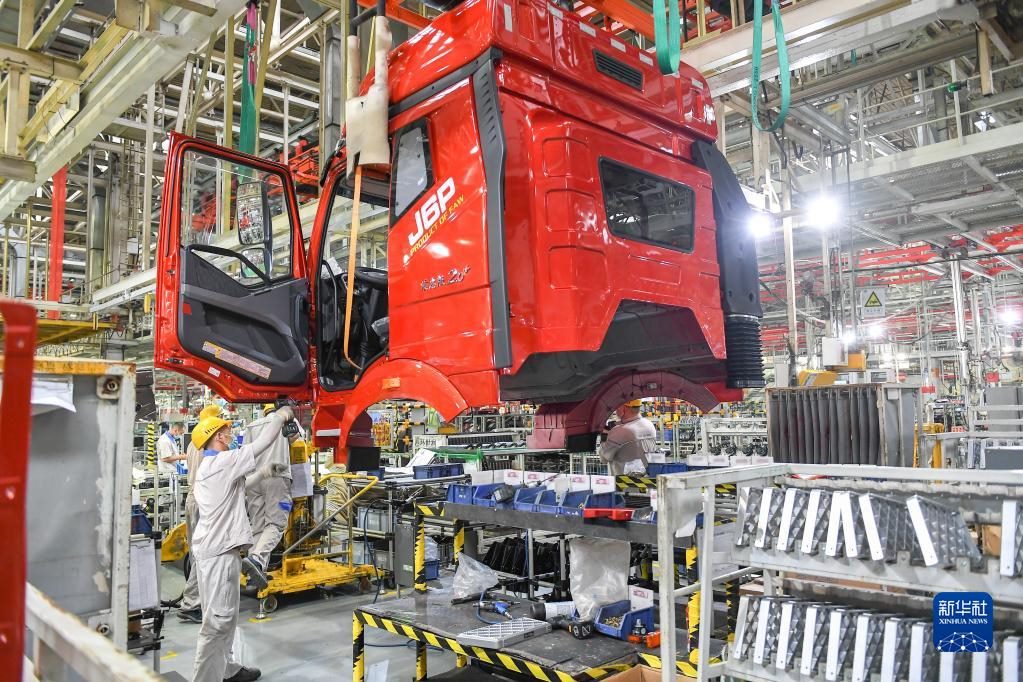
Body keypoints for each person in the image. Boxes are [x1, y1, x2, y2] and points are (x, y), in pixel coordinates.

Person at [190, 406, 294, 682]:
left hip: (216, 550)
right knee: (217, 622)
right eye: (228, 431)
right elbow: (262, 443)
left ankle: (227, 669)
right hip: (220, 552)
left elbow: (239, 487)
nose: (231, 434)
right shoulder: (223, 462)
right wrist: (281, 415)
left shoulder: (209, 467)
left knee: (225, 618)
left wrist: (265, 473)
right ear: (218, 436)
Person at [178, 404, 226, 624]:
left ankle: (197, 600)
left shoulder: (192, 442)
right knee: (204, 554)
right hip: (204, 501)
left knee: (197, 552)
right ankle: (191, 604)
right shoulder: (209, 442)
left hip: (192, 500)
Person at [241, 405, 294, 578]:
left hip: (254, 479)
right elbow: (296, 438)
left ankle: (254, 574)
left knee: (258, 526)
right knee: (276, 524)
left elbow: (245, 454)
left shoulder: (251, 426)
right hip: (276, 476)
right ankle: (257, 559)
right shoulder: (286, 421)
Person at [598, 400, 658, 475]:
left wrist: (604, 435)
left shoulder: (620, 431)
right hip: (647, 478)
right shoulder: (649, 425)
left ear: (623, 409)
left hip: (623, 481)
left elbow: (604, 458)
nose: (616, 410)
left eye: (617, 407)